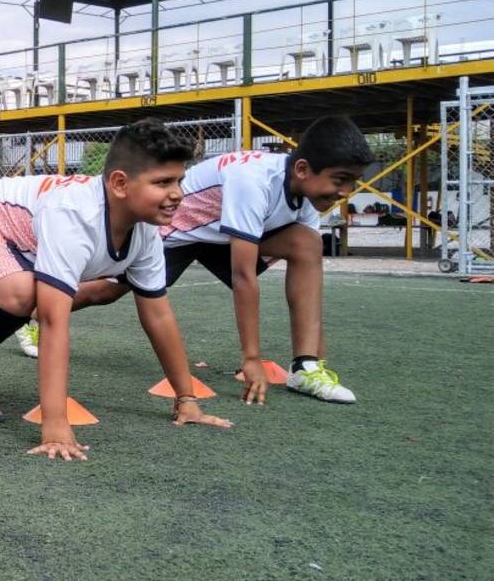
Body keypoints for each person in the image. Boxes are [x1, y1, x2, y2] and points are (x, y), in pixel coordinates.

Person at [0, 119, 232, 460]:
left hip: (9, 243)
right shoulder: (75, 214)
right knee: (23, 294)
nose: (178, 194)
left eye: (179, 181)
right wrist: (55, 425)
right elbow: (52, 319)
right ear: (119, 184)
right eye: (163, 183)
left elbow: (158, 313)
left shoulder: (146, 232)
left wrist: (186, 398)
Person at [73, 115, 374, 405]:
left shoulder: (307, 195)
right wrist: (251, 359)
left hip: (220, 235)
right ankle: (48, 312)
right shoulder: (253, 180)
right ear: (303, 169)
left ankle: (305, 368)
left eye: (353, 182)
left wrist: (317, 359)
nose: (346, 192)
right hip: (181, 230)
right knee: (105, 291)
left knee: (307, 244)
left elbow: (308, 276)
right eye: (341, 180)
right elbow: (243, 275)